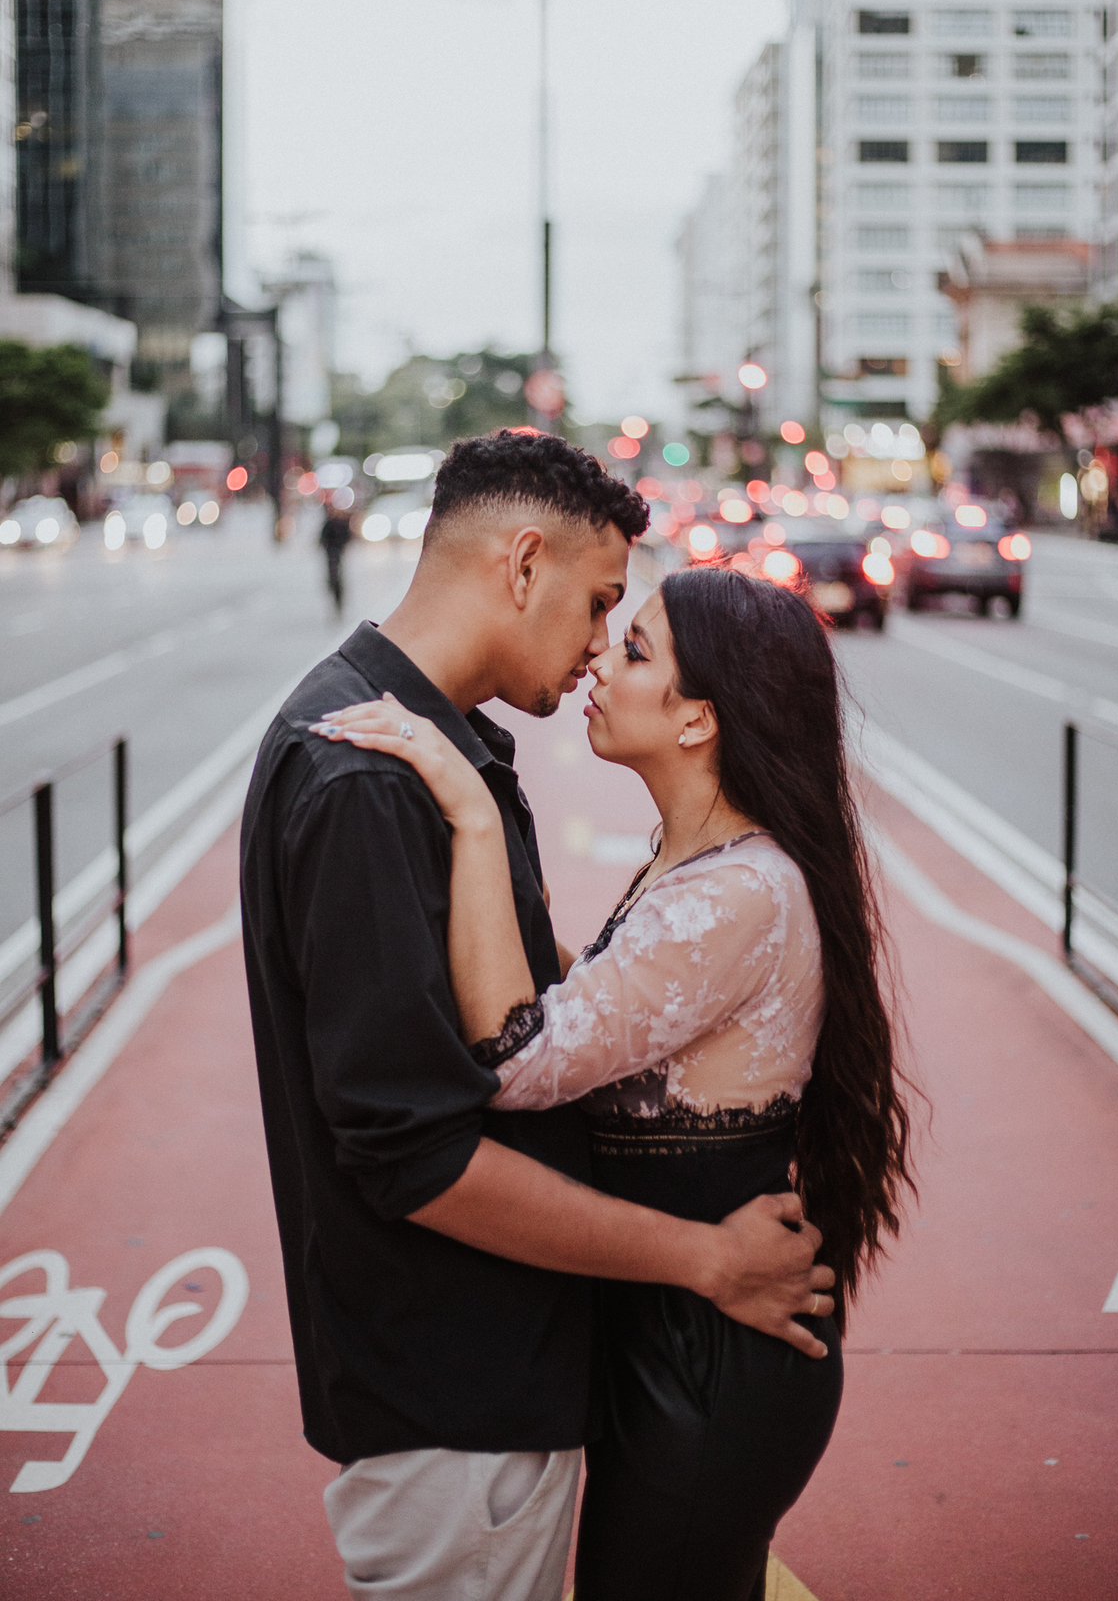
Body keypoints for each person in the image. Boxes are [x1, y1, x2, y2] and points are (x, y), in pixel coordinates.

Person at [240, 433, 835, 1601]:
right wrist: (707, 1258)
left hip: (498, 1372)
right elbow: (419, 1158)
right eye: (602, 603)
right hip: (455, 1390)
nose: (600, 645)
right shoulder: (370, 777)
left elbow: (565, 1008)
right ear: (523, 564)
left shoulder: (439, 746)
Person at [319, 562, 917, 1600]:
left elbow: (516, 1059)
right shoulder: (704, 871)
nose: (600, 661)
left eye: (635, 650)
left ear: (698, 720)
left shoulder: (737, 894)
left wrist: (470, 810)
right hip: (684, 1330)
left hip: (711, 1360)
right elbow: (595, 1005)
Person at [320, 504, 353, 613]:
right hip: (331, 555)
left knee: (338, 577)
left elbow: (347, 537)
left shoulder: (342, 523)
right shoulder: (329, 524)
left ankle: (339, 600)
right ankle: (333, 593)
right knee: (332, 576)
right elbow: (322, 539)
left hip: (338, 555)